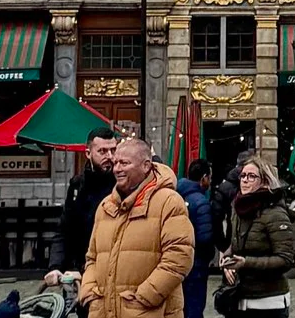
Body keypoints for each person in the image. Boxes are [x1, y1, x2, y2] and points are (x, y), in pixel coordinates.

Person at [81, 137, 195, 318]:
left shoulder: (169, 201)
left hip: (151, 311)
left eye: (124, 163)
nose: (117, 169)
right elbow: (92, 258)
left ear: (146, 165)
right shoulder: (105, 206)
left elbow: (179, 258)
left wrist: (145, 297)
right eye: (116, 162)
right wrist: (89, 292)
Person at [217, 161, 295, 318]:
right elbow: (235, 247)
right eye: (243, 176)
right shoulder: (237, 208)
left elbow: (286, 259)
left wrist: (246, 263)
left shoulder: (275, 213)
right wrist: (228, 263)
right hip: (240, 298)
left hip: (268, 301)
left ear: (265, 181)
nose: (245, 180)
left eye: (251, 176)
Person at [51, 133, 122, 286]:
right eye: (102, 151)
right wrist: (56, 266)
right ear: (88, 153)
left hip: (110, 272)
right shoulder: (78, 185)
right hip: (77, 271)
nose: (110, 156)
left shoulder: (123, 185)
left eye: (113, 150)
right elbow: (64, 229)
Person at [176, 161, 217, 318]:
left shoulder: (176, 194)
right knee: (194, 307)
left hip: (178, 262)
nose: (210, 182)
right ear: (204, 178)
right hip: (196, 264)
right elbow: (205, 238)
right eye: (210, 177)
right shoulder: (201, 202)